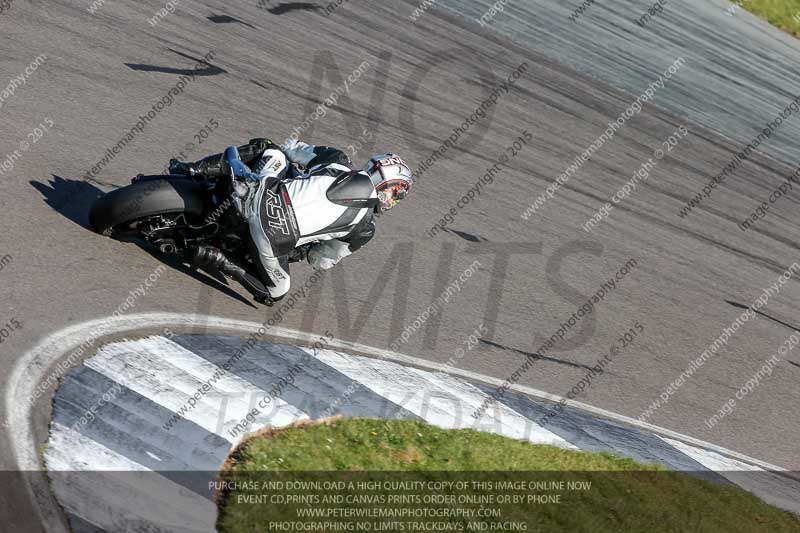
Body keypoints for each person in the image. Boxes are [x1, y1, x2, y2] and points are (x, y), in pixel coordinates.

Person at [169, 138, 413, 306]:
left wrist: (301, 176)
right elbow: (320, 260)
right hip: (272, 237)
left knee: (269, 149)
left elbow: (291, 148)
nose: (393, 199)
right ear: (388, 185)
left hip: (258, 192)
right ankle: (217, 258)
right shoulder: (365, 229)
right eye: (397, 194)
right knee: (276, 292)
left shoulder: (337, 159)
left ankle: (192, 170)